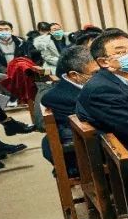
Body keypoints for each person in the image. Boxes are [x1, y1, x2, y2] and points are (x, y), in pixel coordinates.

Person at [40, 45, 97, 175]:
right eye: (95, 73)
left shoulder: (82, 85)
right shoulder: (59, 98)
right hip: (89, 154)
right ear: (74, 75)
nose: (101, 76)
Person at [0, 20, 37, 97]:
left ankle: (17, 98)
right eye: (0, 30)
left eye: (6, 29)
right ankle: (15, 98)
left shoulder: (22, 42)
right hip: (1, 72)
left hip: (20, 70)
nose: (4, 31)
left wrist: (17, 70)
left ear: (11, 30)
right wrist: (7, 71)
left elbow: (30, 57)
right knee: (0, 77)